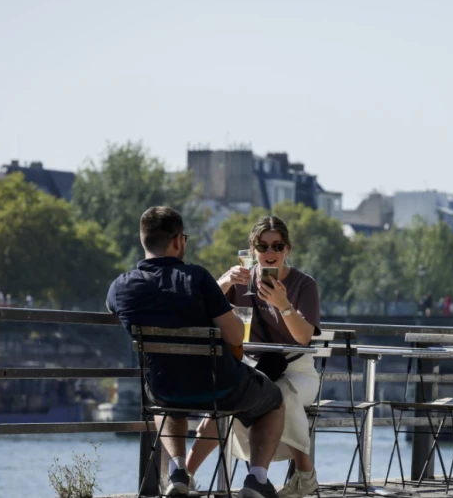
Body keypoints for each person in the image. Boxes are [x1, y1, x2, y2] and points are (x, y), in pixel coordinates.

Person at [107, 207, 284, 498]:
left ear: (144, 242)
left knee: (168, 401)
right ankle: (257, 479)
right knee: (273, 400)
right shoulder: (198, 278)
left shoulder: (121, 286)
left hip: (164, 388)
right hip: (220, 387)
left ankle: (178, 470)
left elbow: (112, 308)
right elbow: (236, 335)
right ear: (178, 241)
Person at [185, 215, 322, 498]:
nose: (270, 253)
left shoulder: (303, 285)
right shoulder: (241, 280)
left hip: (296, 369)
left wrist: (284, 306)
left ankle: (303, 473)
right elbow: (196, 314)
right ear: (252, 250)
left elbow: (304, 338)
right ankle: (184, 475)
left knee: (278, 394)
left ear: (287, 249)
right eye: (262, 247)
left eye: (277, 246)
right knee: (225, 398)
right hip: (253, 366)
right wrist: (221, 283)